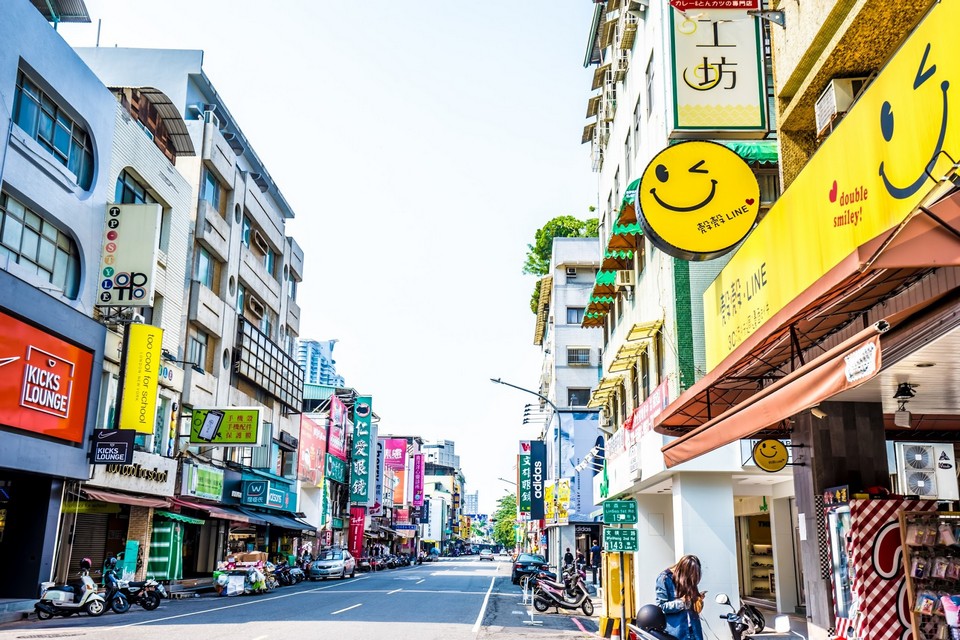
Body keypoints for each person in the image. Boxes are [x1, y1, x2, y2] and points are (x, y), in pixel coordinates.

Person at [655, 555, 705, 640]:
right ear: (684, 570)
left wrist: (697, 601)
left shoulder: (690, 578)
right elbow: (661, 606)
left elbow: (693, 606)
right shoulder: (665, 579)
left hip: (694, 630)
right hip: (677, 632)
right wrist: (682, 602)